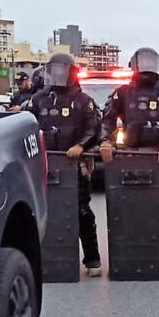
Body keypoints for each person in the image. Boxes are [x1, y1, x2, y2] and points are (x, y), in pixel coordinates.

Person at [28, 53, 102, 277]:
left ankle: (92, 258)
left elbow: (94, 128)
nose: (58, 74)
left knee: (81, 210)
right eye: (55, 70)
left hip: (75, 163)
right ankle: (41, 259)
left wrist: (81, 145)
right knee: (42, 210)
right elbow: (27, 124)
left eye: (63, 70)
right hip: (44, 164)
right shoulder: (39, 99)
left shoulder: (83, 100)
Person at [99, 48, 159, 166]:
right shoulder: (123, 92)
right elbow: (108, 119)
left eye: (150, 63)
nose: (147, 66)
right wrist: (106, 141)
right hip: (129, 152)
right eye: (144, 62)